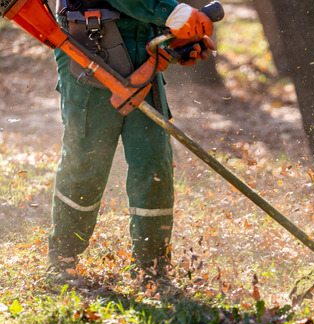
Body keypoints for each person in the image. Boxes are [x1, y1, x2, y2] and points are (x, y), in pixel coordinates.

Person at [45, 0, 214, 293]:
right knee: (86, 161)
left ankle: (153, 268)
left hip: (143, 43)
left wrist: (175, 34)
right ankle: (62, 259)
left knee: (154, 164)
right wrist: (174, 14)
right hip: (89, 43)